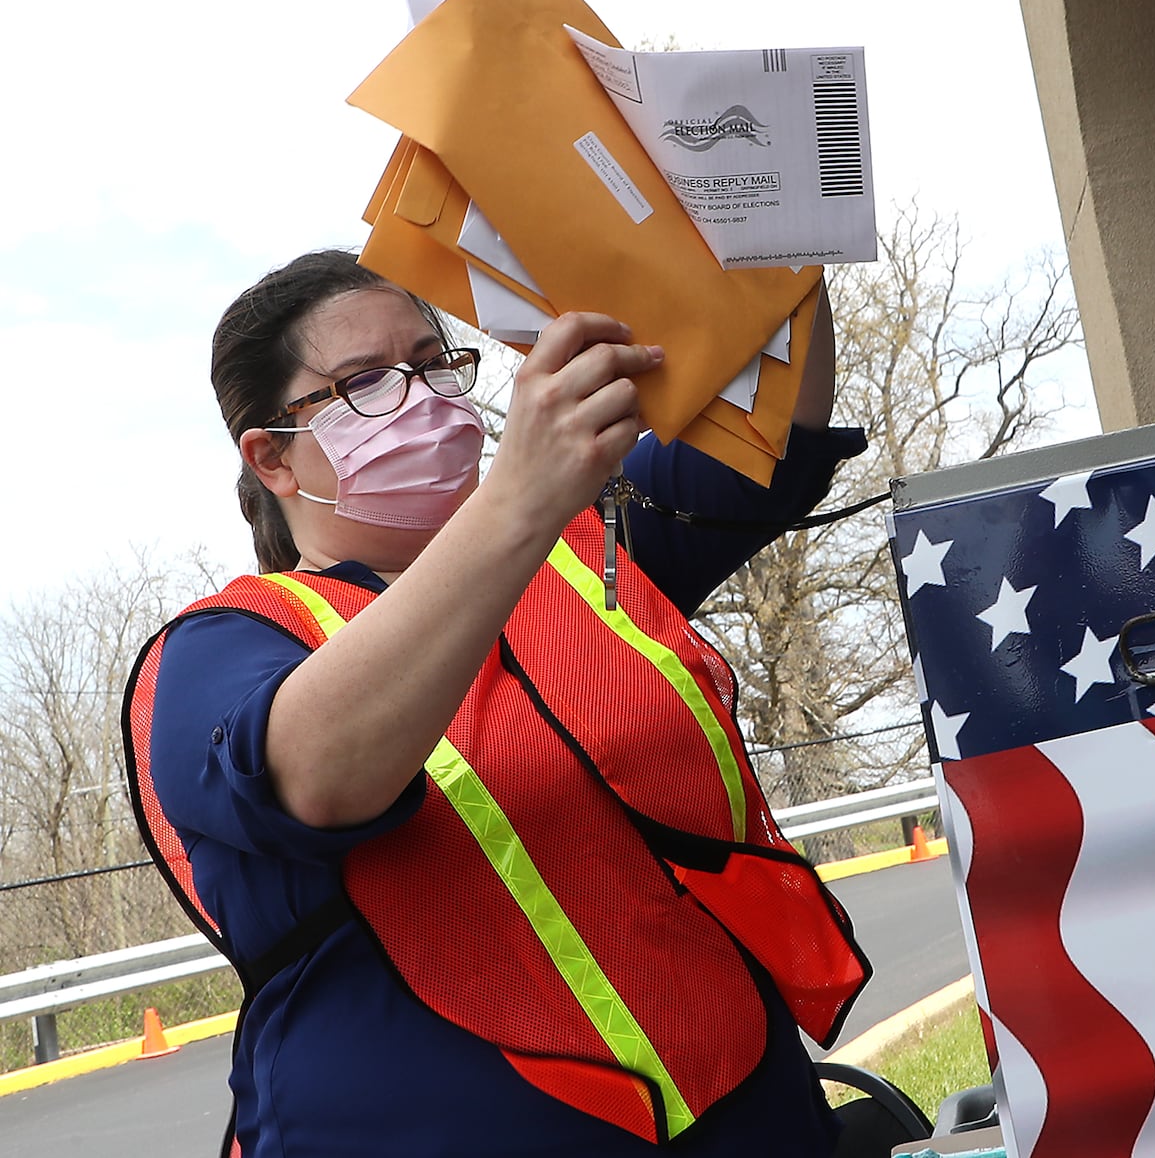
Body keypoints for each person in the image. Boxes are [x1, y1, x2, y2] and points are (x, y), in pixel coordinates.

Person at [123, 249, 871, 1157]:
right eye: (367, 382)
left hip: (752, 1115)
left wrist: (775, 223)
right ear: (272, 458)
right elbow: (320, 776)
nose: (427, 397)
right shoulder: (221, 646)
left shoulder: (589, 551)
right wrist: (518, 498)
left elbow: (778, 424)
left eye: (435, 363)